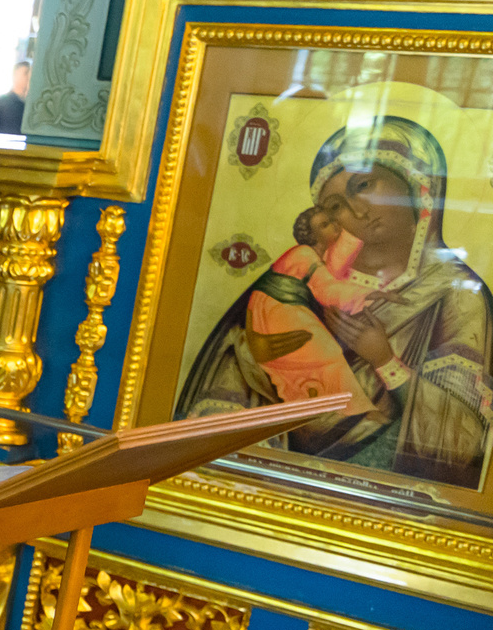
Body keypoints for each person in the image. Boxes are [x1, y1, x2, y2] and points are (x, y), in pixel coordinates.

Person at [177, 114, 491, 486]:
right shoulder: (292, 284)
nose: (357, 211)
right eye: (336, 206)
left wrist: (385, 360)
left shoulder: (456, 294)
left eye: (365, 184)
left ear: (416, 186)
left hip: (387, 496)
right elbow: (224, 394)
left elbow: (464, 440)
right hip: (280, 487)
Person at [241, 198, 375, 413]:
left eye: (332, 221)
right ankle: (352, 410)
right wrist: (371, 294)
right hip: (276, 310)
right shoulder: (304, 253)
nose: (334, 226)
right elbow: (328, 291)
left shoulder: (321, 255)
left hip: (278, 311)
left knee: (316, 358)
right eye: (324, 225)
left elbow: (341, 260)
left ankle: (335, 407)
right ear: (312, 235)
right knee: (328, 353)